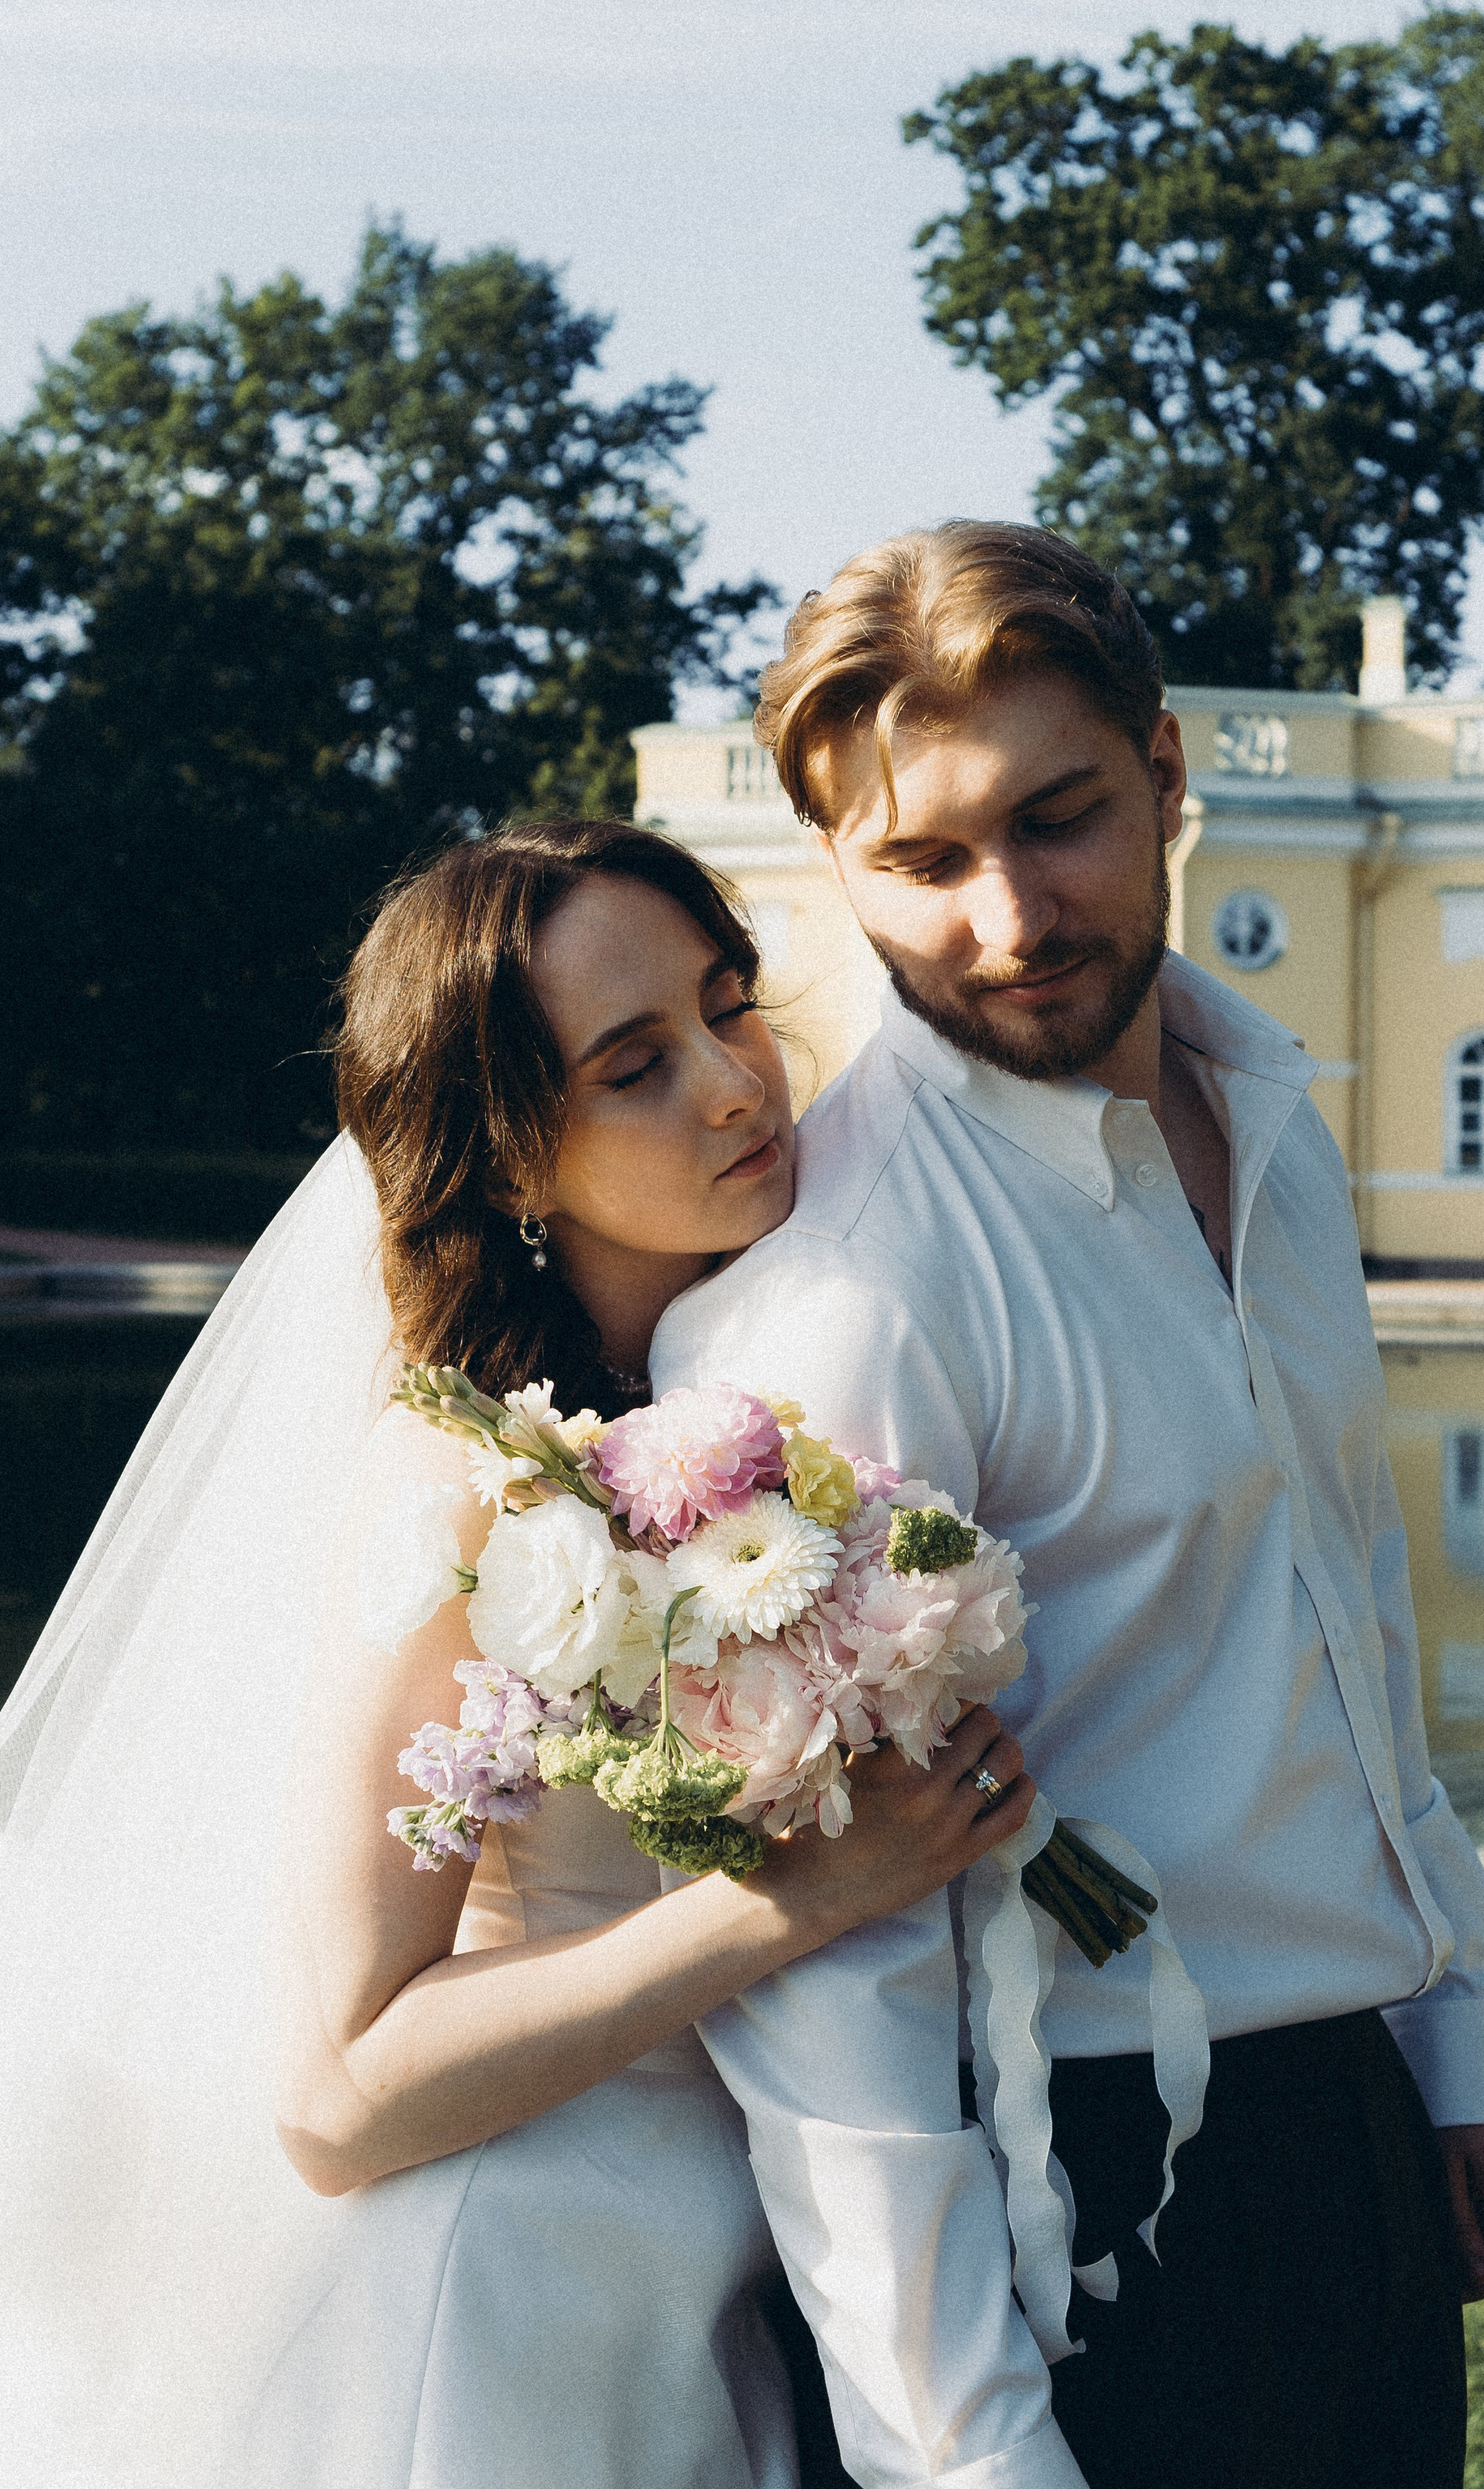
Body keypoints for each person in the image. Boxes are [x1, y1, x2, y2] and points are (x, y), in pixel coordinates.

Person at [650, 522, 1484, 2489]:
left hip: (1350, 2116)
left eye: (1057, 820)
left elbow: (1360, 1613)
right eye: (923, 863)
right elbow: (829, 1971)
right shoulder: (848, 1296)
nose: (1007, 917)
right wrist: (964, 2458)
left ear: (1165, 775)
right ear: (837, 875)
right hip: (1081, 2188)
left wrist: (1448, 2054)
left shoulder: (1273, 1127)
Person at [0, 818, 1032, 2489]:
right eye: (633, 1066)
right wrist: (798, 1899)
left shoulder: (740, 1400)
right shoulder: (460, 1487)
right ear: (504, 1160)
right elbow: (338, 2092)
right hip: (495, 2309)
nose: (734, 1083)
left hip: (697, 2280)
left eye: (728, 1004)